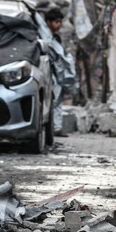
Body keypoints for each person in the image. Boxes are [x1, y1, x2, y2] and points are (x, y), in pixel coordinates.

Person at [44, 8, 76, 137]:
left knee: (57, 100)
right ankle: (52, 128)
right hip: (48, 73)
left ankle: (56, 128)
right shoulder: (44, 37)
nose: (59, 25)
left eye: (60, 22)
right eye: (56, 22)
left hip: (56, 74)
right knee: (52, 101)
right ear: (48, 22)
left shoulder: (55, 37)